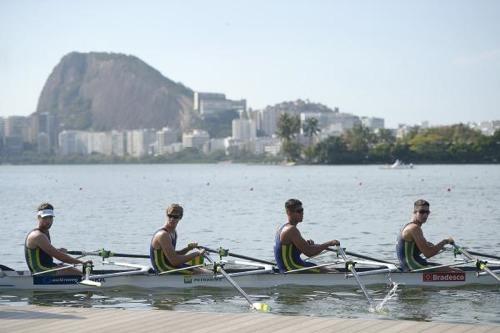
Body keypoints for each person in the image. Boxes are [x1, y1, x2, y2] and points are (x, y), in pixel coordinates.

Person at [274, 199, 340, 273]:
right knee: (334, 272)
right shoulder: (291, 230)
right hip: (292, 268)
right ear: (289, 212)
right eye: (299, 211)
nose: (302, 213)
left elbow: (290, 252)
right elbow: (309, 252)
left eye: (302, 210)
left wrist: (306, 245)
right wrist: (329, 243)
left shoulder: (283, 227)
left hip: (296, 265)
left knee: (329, 269)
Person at [25, 203, 91, 275]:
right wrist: (81, 262)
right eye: (45, 218)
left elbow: (45, 251)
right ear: (38, 217)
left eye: (50, 217)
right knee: (79, 274)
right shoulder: (37, 235)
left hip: (48, 267)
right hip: (40, 271)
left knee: (70, 269)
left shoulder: (45, 231)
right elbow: (59, 256)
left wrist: (58, 250)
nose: (48, 221)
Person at [396, 199, 454, 271]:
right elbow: (428, 254)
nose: (425, 215)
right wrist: (445, 242)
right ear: (414, 212)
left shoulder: (408, 226)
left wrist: (428, 244)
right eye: (422, 212)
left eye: (427, 212)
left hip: (410, 265)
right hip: (414, 266)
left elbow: (411, 250)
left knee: (452, 269)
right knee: (456, 272)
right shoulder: (414, 228)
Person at [150, 203, 207, 274]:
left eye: (175, 217)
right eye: (170, 216)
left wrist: (188, 249)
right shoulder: (163, 235)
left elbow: (173, 254)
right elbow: (175, 261)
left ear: (180, 217)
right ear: (166, 215)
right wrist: (197, 253)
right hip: (163, 269)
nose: (172, 219)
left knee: (199, 262)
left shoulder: (173, 232)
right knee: (202, 271)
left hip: (170, 265)